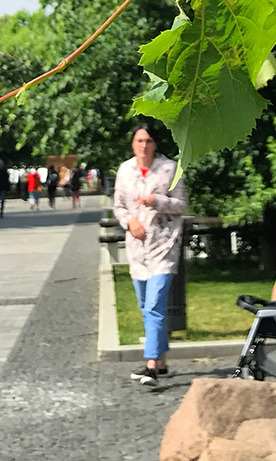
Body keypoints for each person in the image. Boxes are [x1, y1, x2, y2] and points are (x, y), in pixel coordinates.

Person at [113, 124, 188, 387]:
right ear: (133, 144)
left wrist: (158, 200)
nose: (144, 145)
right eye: (139, 140)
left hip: (164, 245)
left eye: (148, 140)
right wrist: (129, 222)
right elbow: (119, 207)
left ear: (155, 144)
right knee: (147, 306)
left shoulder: (170, 169)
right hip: (137, 248)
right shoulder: (124, 170)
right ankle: (164, 362)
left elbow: (182, 204)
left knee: (155, 305)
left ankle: (151, 366)